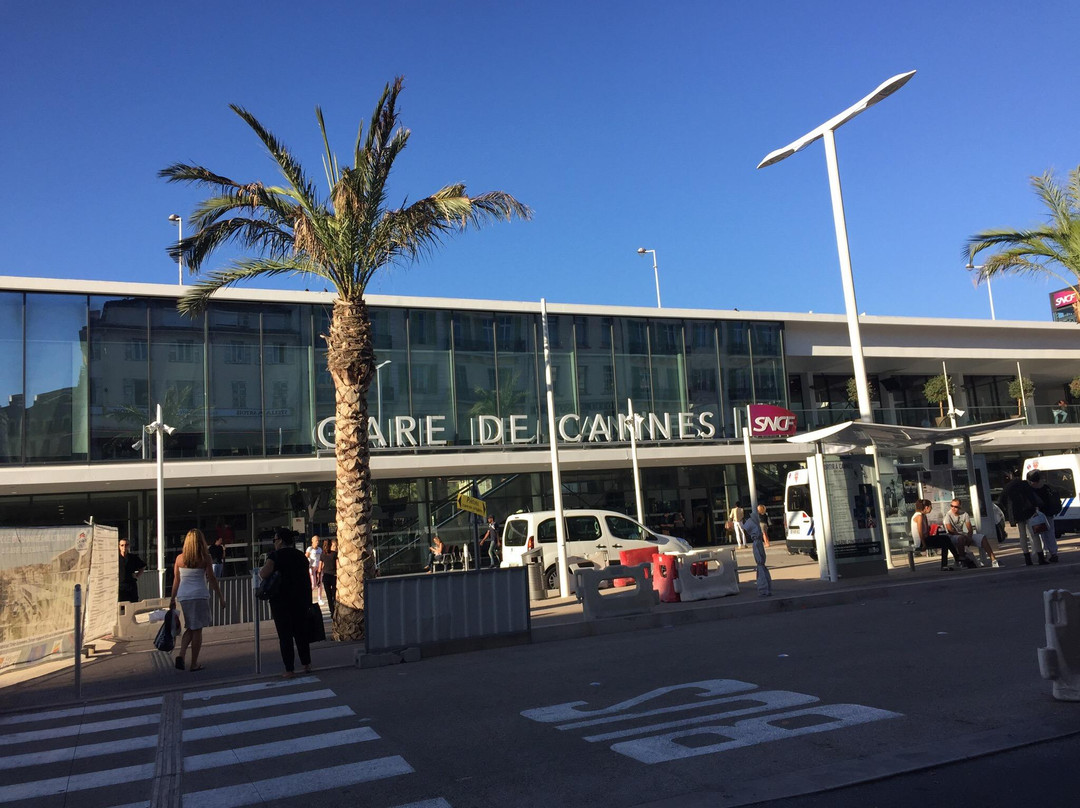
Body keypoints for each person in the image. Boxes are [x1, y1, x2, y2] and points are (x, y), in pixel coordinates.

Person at [260, 526, 313, 678]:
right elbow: (306, 580)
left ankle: (289, 669)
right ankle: (306, 664)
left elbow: (264, 574)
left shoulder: (275, 556)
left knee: (285, 635)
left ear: (281, 540)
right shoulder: (301, 556)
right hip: (300, 599)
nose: (274, 542)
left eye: (275, 539)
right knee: (301, 633)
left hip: (281, 600)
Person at [170, 528, 224, 671]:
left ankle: (181, 655)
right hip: (199, 595)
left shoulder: (180, 558)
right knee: (197, 629)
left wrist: (172, 598)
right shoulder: (205, 558)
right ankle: (193, 663)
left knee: (191, 626)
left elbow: (176, 579)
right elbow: (212, 579)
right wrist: (220, 597)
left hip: (184, 596)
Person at [910, 499, 968, 570]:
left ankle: (950, 561)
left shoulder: (923, 516)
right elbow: (920, 532)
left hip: (926, 539)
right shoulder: (919, 516)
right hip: (921, 542)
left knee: (945, 540)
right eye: (931, 507)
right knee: (945, 540)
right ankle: (956, 558)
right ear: (926, 507)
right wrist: (924, 544)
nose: (931, 509)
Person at [943, 499, 1001, 568]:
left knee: (982, 537)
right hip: (952, 536)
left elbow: (969, 528)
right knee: (961, 538)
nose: (953, 508)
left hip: (962, 534)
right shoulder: (948, 515)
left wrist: (969, 536)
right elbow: (950, 530)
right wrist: (964, 536)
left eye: (956, 507)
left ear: (960, 507)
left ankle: (993, 560)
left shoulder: (964, 514)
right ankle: (961, 561)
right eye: (952, 506)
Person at [1001, 469, 1042, 565]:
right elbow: (1033, 497)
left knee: (1022, 535)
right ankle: (1040, 557)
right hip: (1029, 511)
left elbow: (1002, 499)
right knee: (1034, 534)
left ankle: (1027, 558)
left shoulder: (1009, 486)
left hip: (1017, 513)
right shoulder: (1025, 484)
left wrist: (1009, 510)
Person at [1028, 470, 1061, 563]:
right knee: (1050, 533)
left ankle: (1043, 553)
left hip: (1038, 515)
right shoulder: (1047, 487)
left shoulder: (1031, 489)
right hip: (1049, 513)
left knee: (1040, 534)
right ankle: (1054, 553)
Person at [742, 509, 772, 597]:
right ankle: (764, 587)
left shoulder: (757, 540)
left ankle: (764, 588)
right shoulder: (757, 539)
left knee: (760, 564)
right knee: (761, 564)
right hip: (758, 547)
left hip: (758, 549)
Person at [118, 538, 147, 603]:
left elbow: (143, 566)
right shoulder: (116, 558)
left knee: (133, 604)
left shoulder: (133, 557)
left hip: (131, 585)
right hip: (120, 587)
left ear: (129, 546)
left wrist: (137, 575)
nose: (124, 547)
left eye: (126, 545)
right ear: (119, 546)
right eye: (122, 545)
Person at [319, 539, 337, 616]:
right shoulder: (334, 554)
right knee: (334, 594)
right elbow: (337, 565)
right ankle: (335, 608)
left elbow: (320, 567)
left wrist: (318, 577)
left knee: (328, 596)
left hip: (326, 576)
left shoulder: (322, 554)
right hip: (333, 576)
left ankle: (331, 611)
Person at [305, 535, 323, 602]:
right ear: (312, 541)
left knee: (320, 583)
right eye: (316, 540)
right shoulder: (310, 549)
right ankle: (307, 596)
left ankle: (320, 598)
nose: (317, 542)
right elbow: (305, 557)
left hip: (319, 567)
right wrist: (309, 565)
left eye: (318, 540)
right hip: (312, 567)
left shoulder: (320, 549)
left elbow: (322, 558)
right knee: (313, 584)